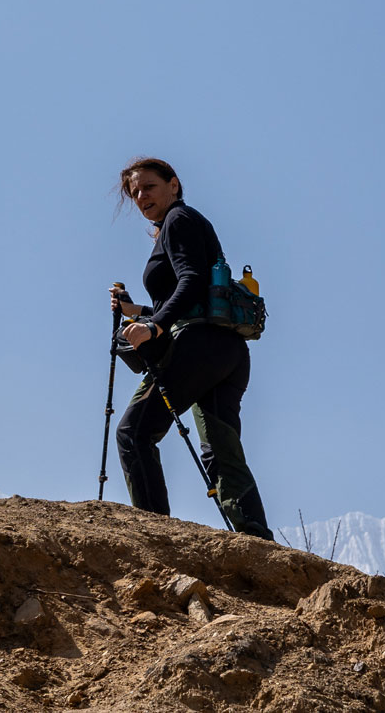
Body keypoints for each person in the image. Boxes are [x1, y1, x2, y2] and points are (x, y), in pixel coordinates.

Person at [110, 157, 273, 539]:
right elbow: (191, 294)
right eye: (135, 192)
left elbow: (193, 280)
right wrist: (138, 312)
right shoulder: (187, 222)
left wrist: (154, 326)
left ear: (174, 184)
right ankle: (257, 541)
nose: (140, 196)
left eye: (148, 186)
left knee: (133, 433)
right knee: (221, 449)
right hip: (226, 349)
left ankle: (155, 536)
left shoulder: (177, 221)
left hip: (196, 347)